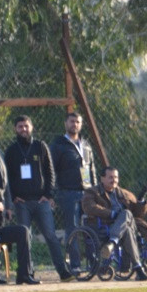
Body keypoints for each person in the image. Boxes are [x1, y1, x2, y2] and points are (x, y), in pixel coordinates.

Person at [5, 115, 73, 282]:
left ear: (31, 127)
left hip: (41, 201)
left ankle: (63, 272)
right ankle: (27, 273)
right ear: (15, 129)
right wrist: (13, 197)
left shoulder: (40, 146)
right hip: (22, 203)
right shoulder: (11, 150)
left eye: (26, 126)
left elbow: (50, 172)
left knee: (50, 235)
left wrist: (49, 195)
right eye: (20, 126)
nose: (23, 129)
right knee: (25, 238)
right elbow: (7, 177)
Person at [81, 166, 147, 281]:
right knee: (126, 228)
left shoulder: (124, 194)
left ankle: (112, 243)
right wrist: (111, 214)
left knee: (127, 213)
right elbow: (89, 207)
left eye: (116, 177)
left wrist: (141, 200)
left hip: (122, 227)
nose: (114, 180)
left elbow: (138, 214)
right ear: (102, 179)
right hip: (105, 226)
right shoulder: (92, 192)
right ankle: (138, 268)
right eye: (110, 177)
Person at [51, 112, 97, 274]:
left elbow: (91, 169)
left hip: (87, 193)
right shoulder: (59, 144)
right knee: (73, 228)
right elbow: (52, 170)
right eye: (72, 121)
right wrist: (53, 192)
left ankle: (94, 262)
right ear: (66, 123)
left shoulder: (85, 145)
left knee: (90, 228)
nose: (74, 124)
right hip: (68, 193)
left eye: (77, 122)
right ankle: (75, 264)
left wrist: (95, 190)